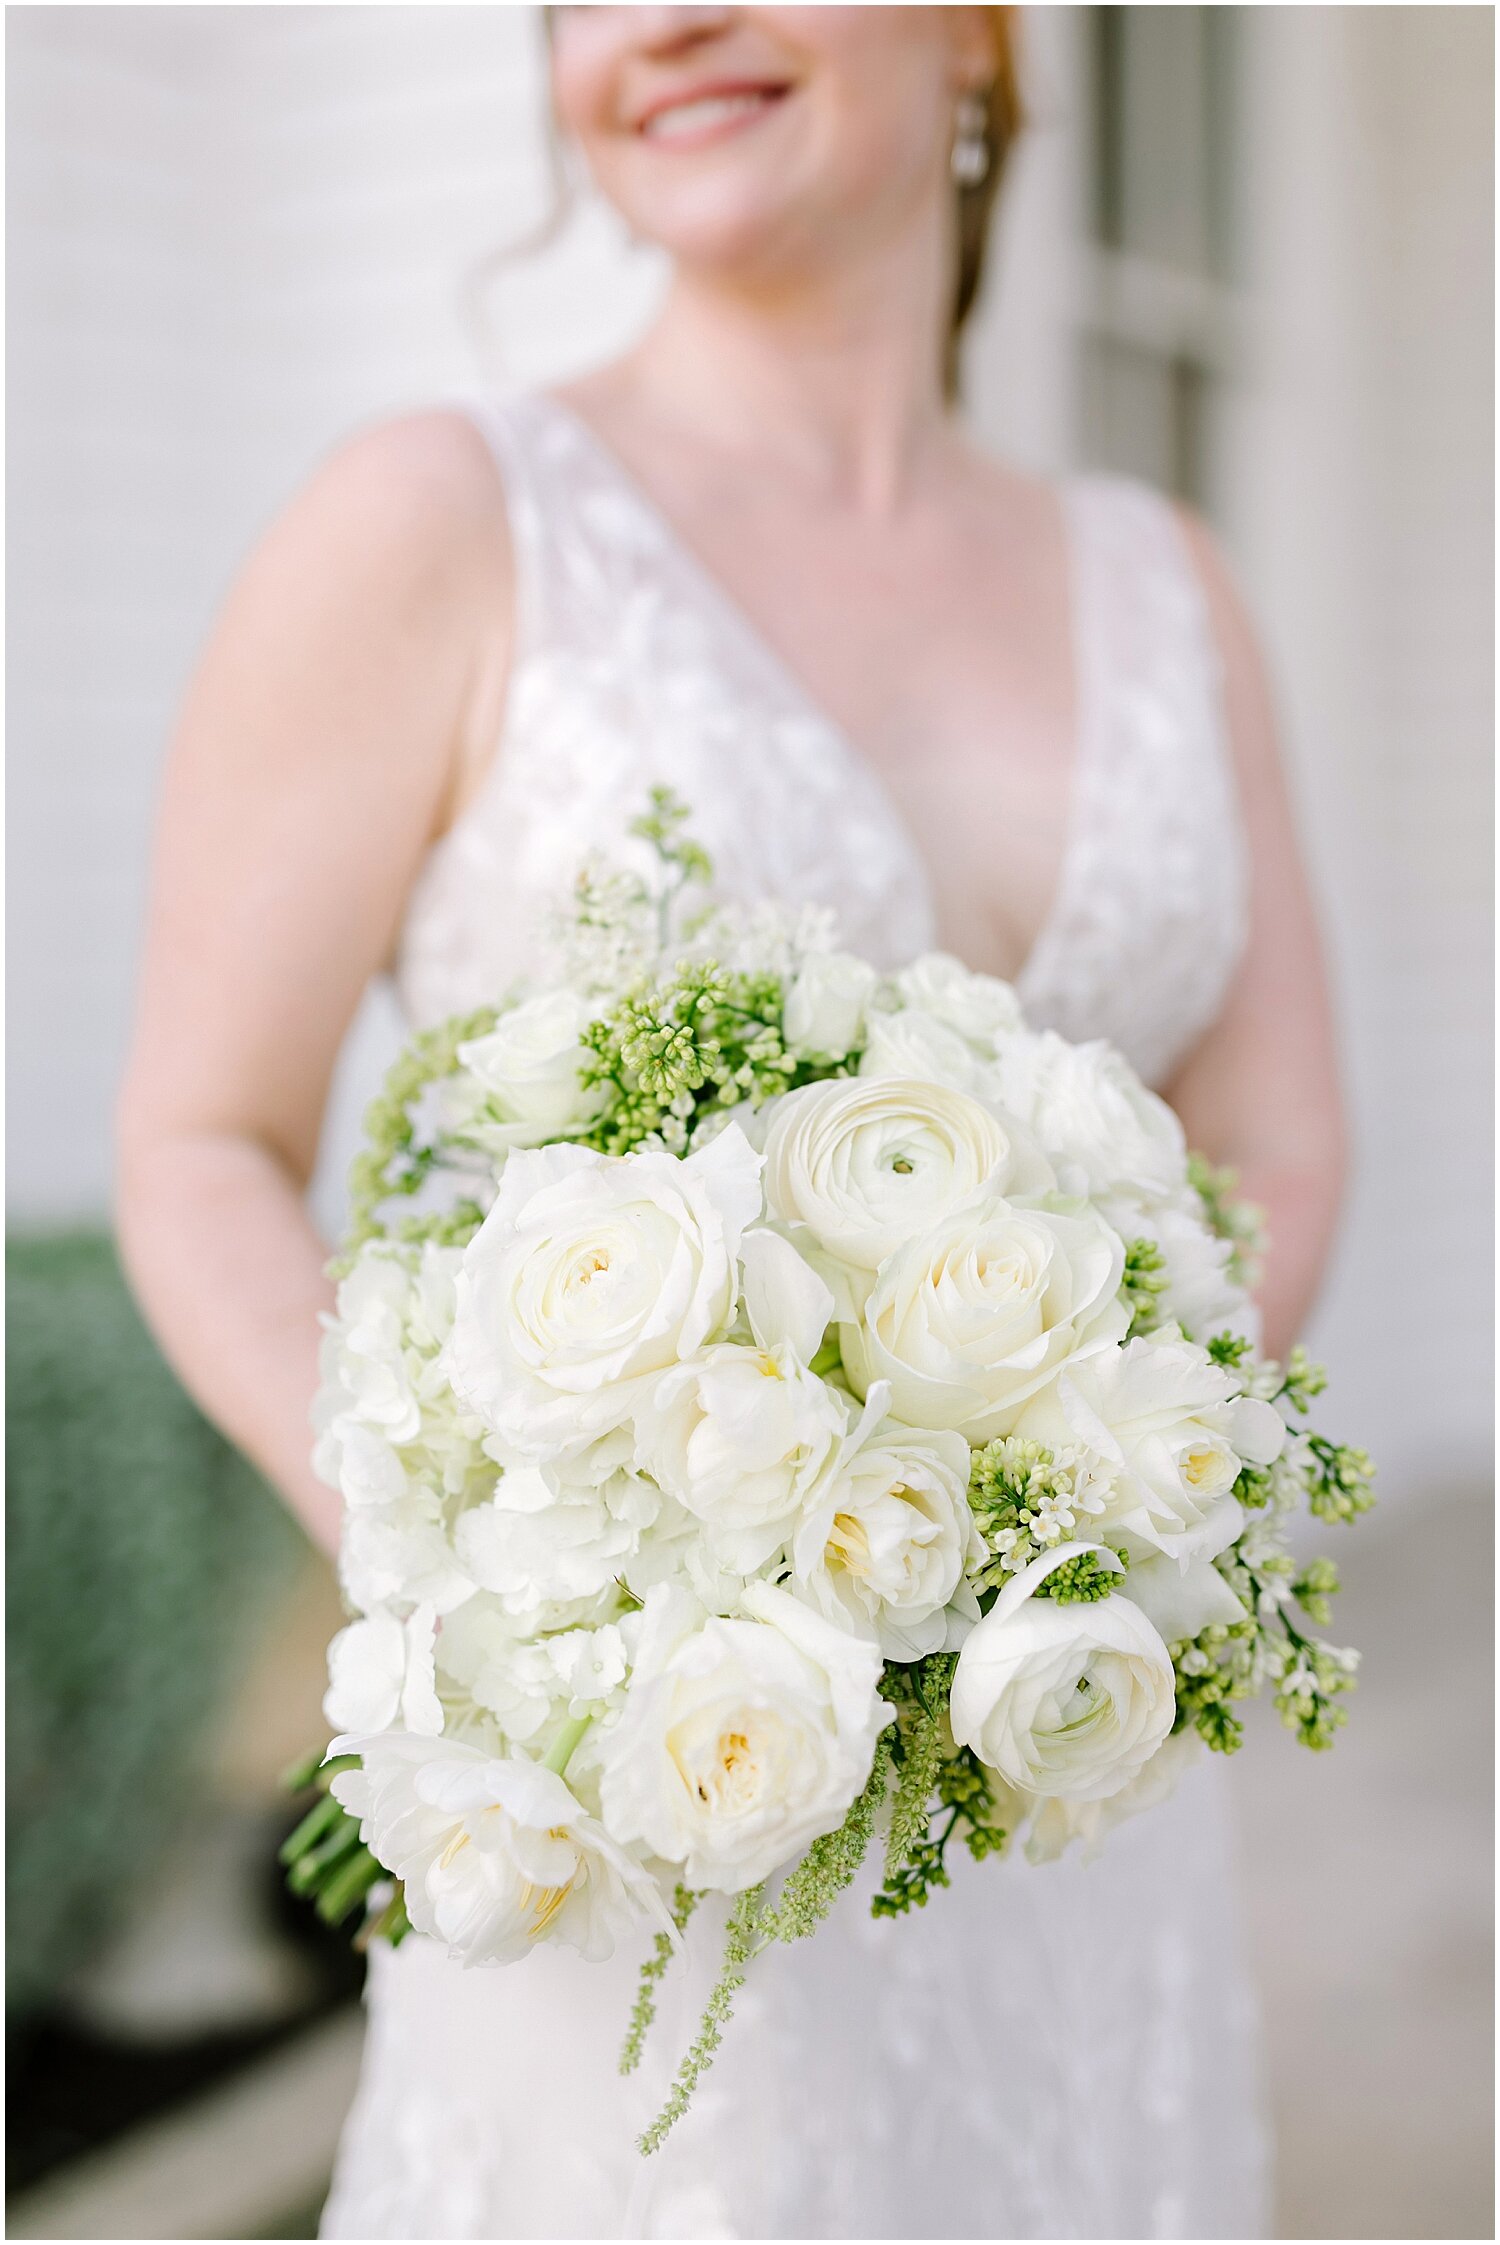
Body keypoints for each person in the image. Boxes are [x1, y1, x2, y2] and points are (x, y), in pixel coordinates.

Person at [116, 8, 1346, 2236]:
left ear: (979, 38)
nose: (655, 24)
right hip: (646, 1818)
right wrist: (534, 1579)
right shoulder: (434, 522)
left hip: (1070, 1790)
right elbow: (200, 1138)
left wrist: (1068, 1528)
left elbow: (1272, 1128)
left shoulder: (1172, 583)